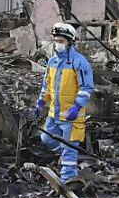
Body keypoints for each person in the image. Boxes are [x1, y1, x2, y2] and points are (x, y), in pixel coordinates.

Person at [33, 22, 94, 182]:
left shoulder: (79, 62)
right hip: (54, 114)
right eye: (56, 41)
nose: (57, 44)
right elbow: (47, 86)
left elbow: (86, 87)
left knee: (69, 150)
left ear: (70, 42)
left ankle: (68, 180)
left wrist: (77, 106)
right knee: (46, 139)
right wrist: (40, 103)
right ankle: (66, 156)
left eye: (61, 41)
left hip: (72, 116)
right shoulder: (52, 62)